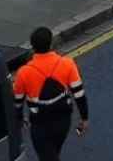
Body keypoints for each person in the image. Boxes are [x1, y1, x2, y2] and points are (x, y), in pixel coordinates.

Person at [14, 26, 89, 161]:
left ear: (32, 47)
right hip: (63, 121)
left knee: (48, 156)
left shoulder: (23, 73)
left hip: (40, 124)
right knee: (53, 152)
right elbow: (79, 94)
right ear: (51, 43)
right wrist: (84, 118)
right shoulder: (67, 64)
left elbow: (17, 101)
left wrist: (20, 118)